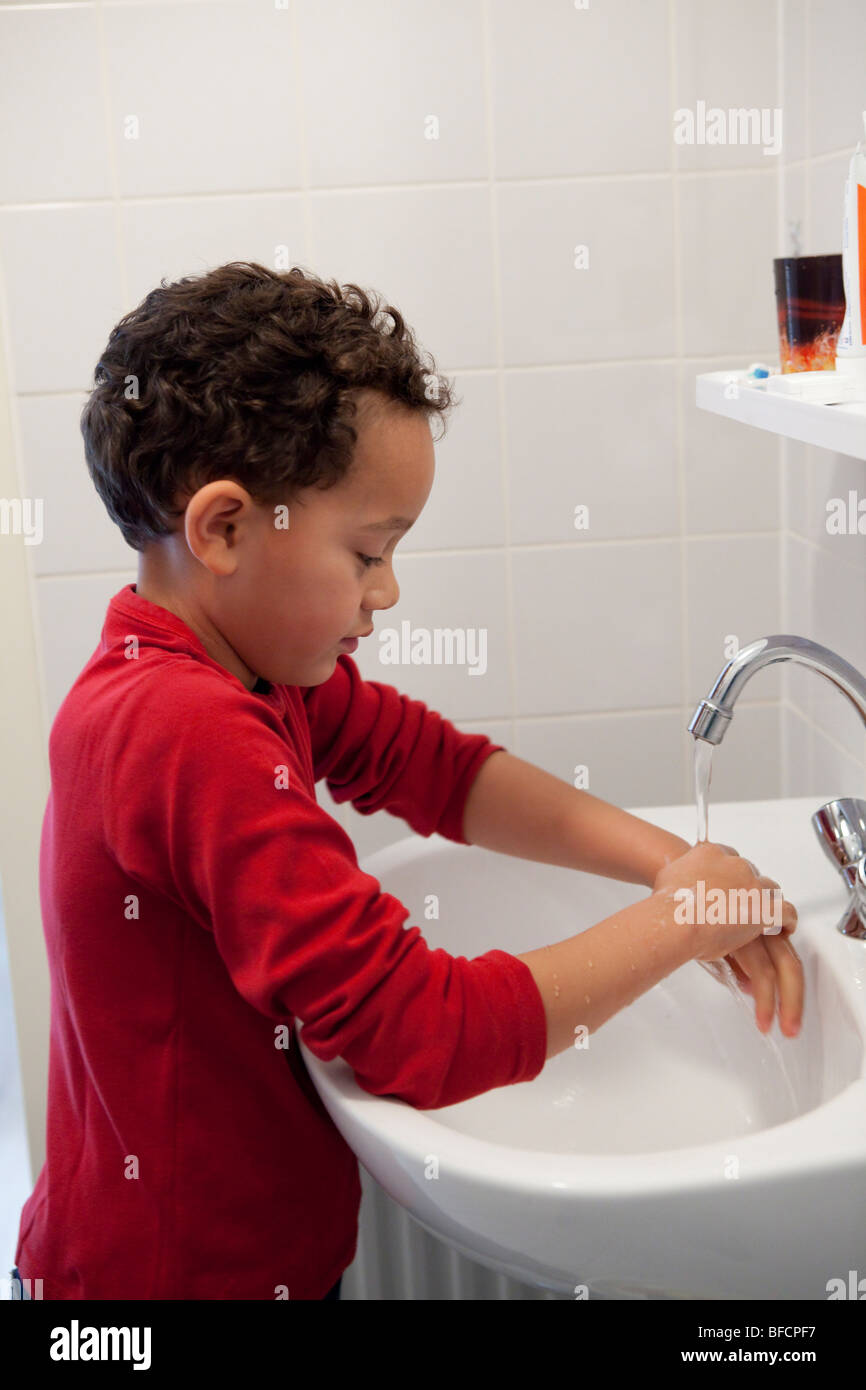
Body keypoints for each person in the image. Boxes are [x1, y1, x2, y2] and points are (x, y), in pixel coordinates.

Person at [13, 263, 802, 1300]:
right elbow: (414, 1033)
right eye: (367, 550)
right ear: (224, 529)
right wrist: (684, 918)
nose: (387, 591)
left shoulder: (234, 671)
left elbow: (436, 769)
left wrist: (670, 865)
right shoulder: (184, 728)